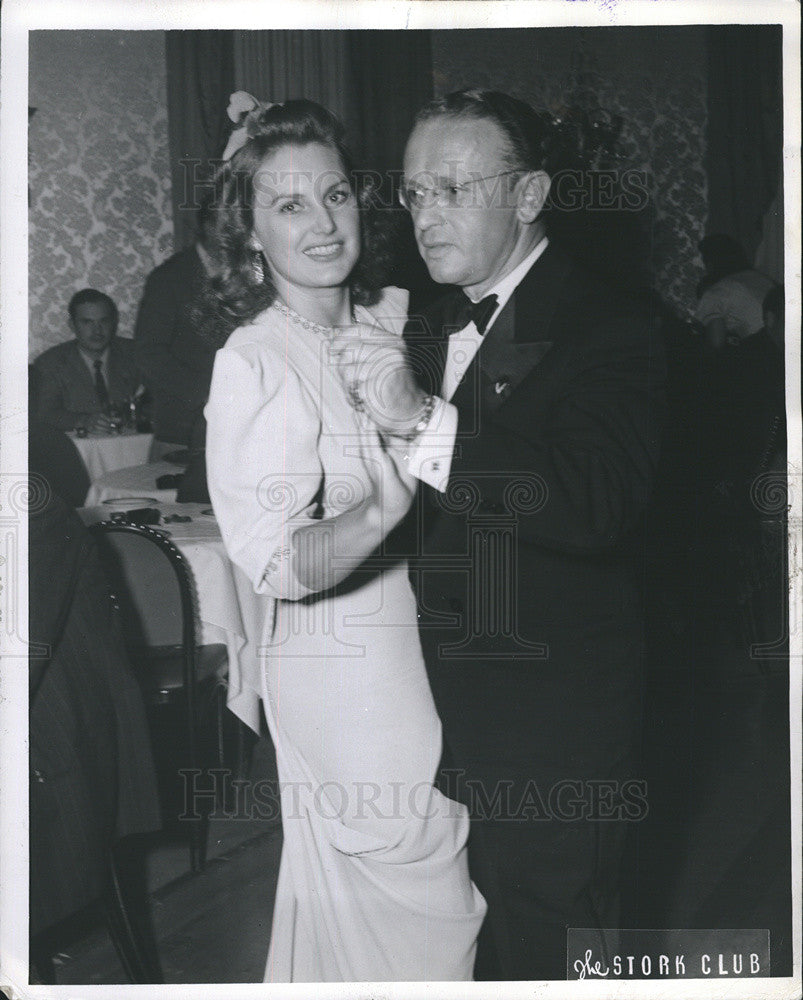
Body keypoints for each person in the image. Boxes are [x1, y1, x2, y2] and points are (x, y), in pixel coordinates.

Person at [331, 89, 666, 981]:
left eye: (451, 189)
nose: (425, 216)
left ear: (528, 196)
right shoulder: (430, 321)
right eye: (412, 194)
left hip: (555, 718)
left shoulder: (613, 325)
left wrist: (421, 418)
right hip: (448, 703)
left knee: (552, 941)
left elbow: (594, 503)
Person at [201, 93, 486, 983]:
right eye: (287, 206)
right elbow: (277, 562)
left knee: (398, 905)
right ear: (249, 235)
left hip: (416, 641)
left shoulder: (389, 319)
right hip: (341, 671)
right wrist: (372, 518)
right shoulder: (255, 361)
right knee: (418, 887)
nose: (322, 223)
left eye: (334, 195)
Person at [134, 241, 217, 452]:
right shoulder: (169, 278)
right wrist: (207, 392)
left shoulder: (250, 269)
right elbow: (149, 354)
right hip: (183, 429)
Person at [33, 288, 141, 433]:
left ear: (114, 322)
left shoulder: (135, 354)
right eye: (87, 322)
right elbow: (45, 413)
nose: (97, 330)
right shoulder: (51, 363)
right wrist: (83, 421)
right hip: (78, 451)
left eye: (104, 321)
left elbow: (158, 400)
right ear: (72, 325)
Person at [694, 233, 777, 351]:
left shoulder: (715, 292)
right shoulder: (762, 279)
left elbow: (716, 343)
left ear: (709, 264)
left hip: (763, 352)